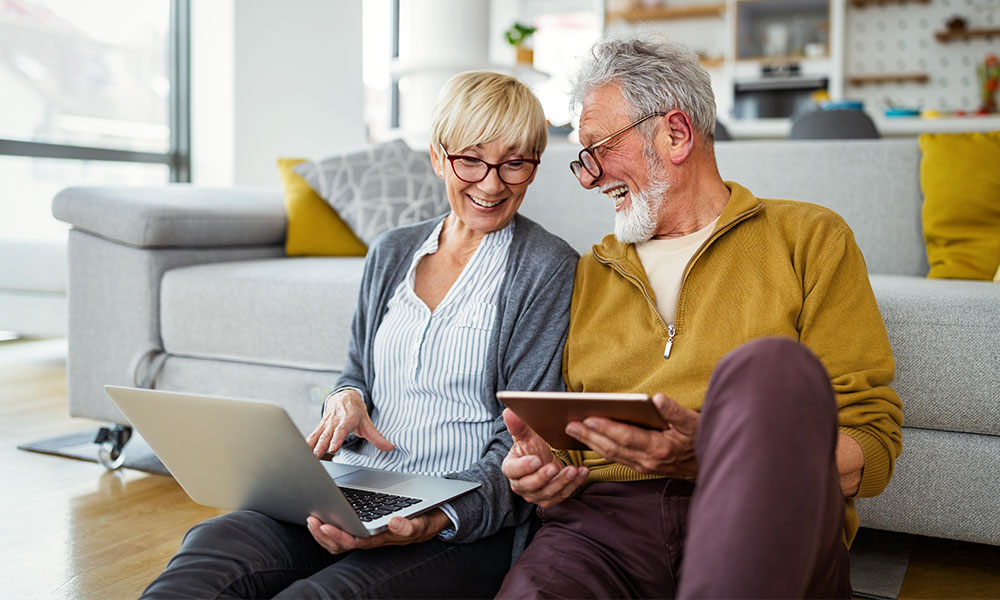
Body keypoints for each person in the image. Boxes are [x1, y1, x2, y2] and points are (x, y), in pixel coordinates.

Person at [141, 70, 578, 599]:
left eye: (514, 163)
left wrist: (434, 518)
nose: (491, 183)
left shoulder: (546, 267)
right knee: (214, 549)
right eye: (471, 159)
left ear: (533, 166)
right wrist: (345, 398)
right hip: (350, 486)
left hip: (454, 522)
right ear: (439, 157)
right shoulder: (393, 251)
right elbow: (355, 371)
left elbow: (522, 437)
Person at [497, 34, 904, 599]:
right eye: (581, 159)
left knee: (768, 366)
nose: (588, 178)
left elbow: (868, 447)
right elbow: (571, 446)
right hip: (602, 527)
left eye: (598, 150)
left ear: (676, 134)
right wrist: (541, 470)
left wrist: (718, 453)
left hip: (758, 502)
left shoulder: (809, 238)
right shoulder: (591, 270)